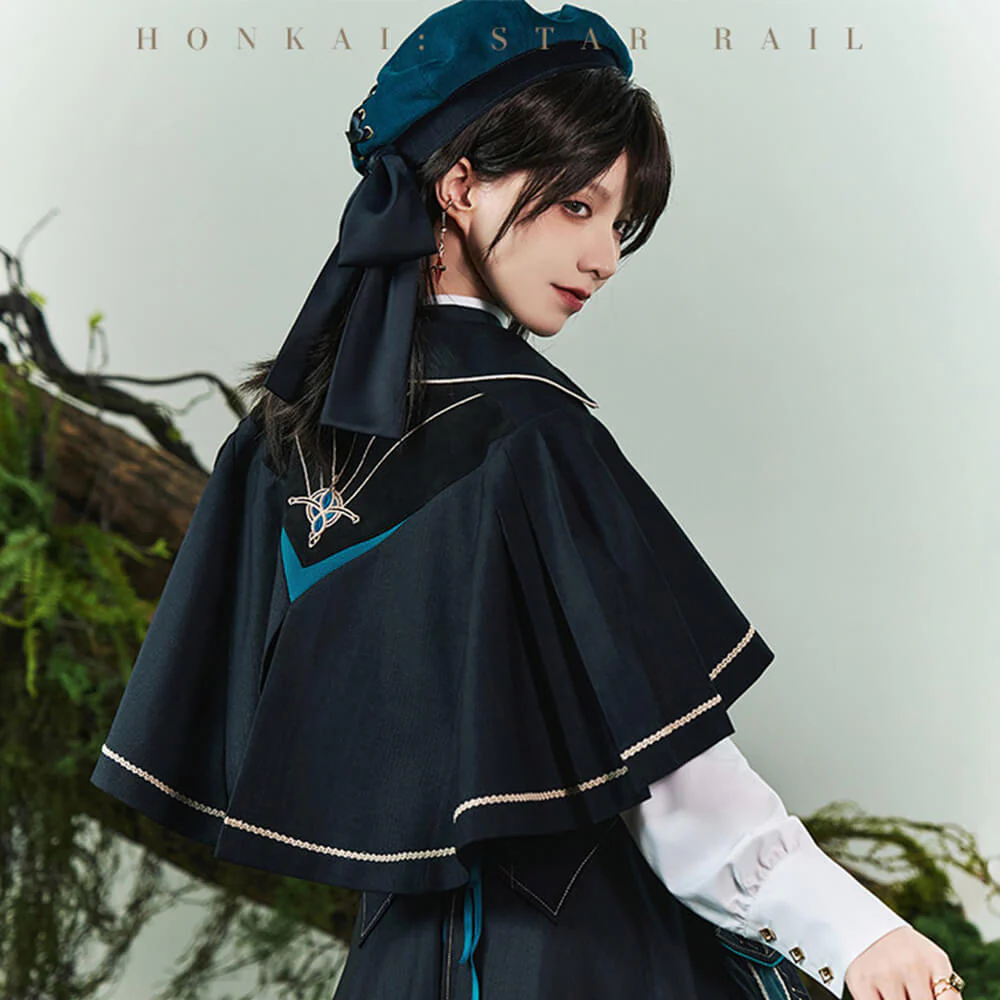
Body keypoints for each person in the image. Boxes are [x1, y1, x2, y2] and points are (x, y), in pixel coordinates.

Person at [88, 2, 965, 999]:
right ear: (460, 184)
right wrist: (855, 933)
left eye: (618, 224)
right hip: (577, 960)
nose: (604, 258)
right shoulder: (532, 434)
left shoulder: (274, 441)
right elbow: (683, 795)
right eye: (577, 207)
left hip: (390, 967)